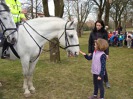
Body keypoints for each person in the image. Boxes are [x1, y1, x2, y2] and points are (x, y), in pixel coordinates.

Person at [88, 20, 110, 88]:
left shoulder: (104, 33)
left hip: (101, 52)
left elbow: (106, 44)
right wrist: (89, 52)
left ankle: (106, 81)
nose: (98, 26)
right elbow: (90, 43)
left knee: (102, 67)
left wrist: (107, 53)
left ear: (102, 25)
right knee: (95, 66)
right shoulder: (92, 33)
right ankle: (97, 80)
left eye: (99, 25)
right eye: (97, 25)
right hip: (94, 51)